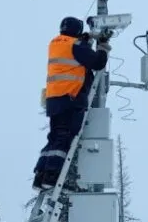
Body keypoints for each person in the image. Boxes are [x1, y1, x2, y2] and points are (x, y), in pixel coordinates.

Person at [33, 16, 111, 191]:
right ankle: (52, 176)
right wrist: (103, 47)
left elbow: (74, 57)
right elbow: (97, 62)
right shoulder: (76, 46)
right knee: (64, 137)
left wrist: (86, 40)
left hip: (54, 100)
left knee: (54, 137)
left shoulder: (56, 43)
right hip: (71, 98)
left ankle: (40, 175)